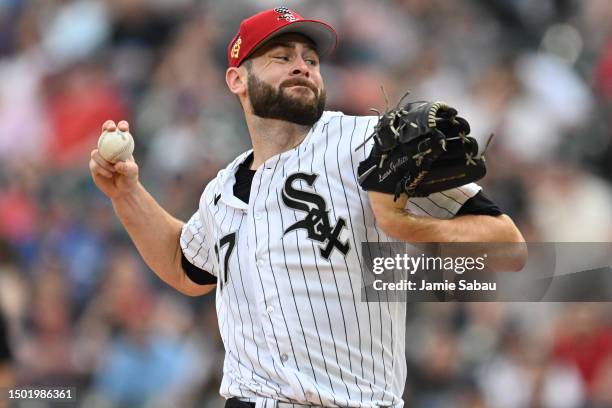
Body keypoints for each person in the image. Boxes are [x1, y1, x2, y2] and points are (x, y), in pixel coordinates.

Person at [89, 7, 525, 407]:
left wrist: (410, 227)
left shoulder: (366, 143)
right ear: (237, 79)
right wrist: (126, 194)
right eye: (281, 57)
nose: (302, 65)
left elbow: (508, 245)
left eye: (311, 60)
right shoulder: (222, 190)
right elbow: (185, 267)